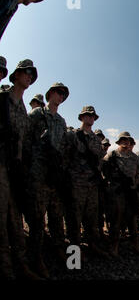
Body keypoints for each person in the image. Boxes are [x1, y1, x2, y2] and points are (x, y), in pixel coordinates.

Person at [0, 59, 41, 279]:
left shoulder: (23, 110)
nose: (29, 77)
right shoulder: (2, 100)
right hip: (0, 166)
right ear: (15, 75)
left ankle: (21, 265)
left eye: (31, 75)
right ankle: (6, 270)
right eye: (26, 72)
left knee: (16, 220)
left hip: (15, 169)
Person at [26, 82, 70, 278]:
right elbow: (25, 140)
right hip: (38, 174)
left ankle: (59, 249)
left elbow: (63, 148)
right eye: (59, 93)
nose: (61, 97)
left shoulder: (61, 121)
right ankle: (36, 258)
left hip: (54, 176)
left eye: (64, 95)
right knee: (37, 219)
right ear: (50, 93)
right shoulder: (36, 115)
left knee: (56, 215)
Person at [65, 106, 110, 259]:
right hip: (76, 183)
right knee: (74, 219)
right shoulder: (73, 136)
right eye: (87, 115)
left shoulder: (96, 140)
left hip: (92, 184)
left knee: (92, 217)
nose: (90, 118)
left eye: (92, 116)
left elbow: (99, 161)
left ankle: (93, 246)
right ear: (82, 117)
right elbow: (65, 157)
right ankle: (75, 252)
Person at [102, 132, 139, 257]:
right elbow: (102, 167)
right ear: (119, 141)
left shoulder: (134, 157)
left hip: (130, 191)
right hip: (117, 193)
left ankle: (135, 245)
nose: (126, 142)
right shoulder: (112, 154)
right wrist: (109, 182)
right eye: (123, 140)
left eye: (128, 140)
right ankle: (114, 246)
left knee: (132, 220)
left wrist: (136, 181)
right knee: (116, 219)